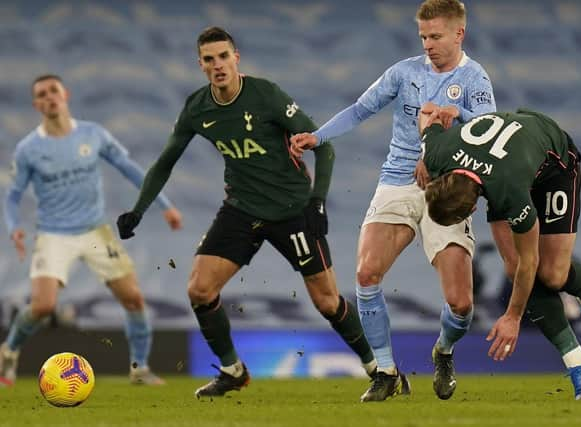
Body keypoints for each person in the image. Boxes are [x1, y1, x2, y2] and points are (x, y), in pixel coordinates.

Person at [116, 26, 384, 400]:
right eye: (209, 60)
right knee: (199, 289)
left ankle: (379, 370)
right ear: (201, 65)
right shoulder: (197, 108)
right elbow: (164, 163)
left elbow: (324, 147)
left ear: (235, 58)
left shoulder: (266, 95)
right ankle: (232, 370)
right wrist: (138, 210)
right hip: (241, 209)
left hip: (291, 210)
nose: (218, 65)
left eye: (223, 56)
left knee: (326, 301)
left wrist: (317, 201)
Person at [290, 0, 495, 401]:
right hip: (397, 181)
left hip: (446, 189)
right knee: (366, 275)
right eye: (423, 37)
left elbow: (490, 131)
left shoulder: (475, 79)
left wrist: (462, 118)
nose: (428, 44)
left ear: (459, 34)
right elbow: (360, 109)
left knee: (461, 304)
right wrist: (318, 136)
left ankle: (444, 350)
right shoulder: (404, 72)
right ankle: (385, 372)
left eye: (435, 36)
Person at [0, 74, 182, 387]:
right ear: (36, 104)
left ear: (65, 94)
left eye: (53, 91)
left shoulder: (92, 134)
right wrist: (14, 226)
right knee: (42, 306)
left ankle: (139, 369)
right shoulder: (28, 149)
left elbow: (129, 167)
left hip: (96, 232)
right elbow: (13, 194)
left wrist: (163, 204)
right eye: (42, 94)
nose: (49, 97)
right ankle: (10, 351)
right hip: (53, 234)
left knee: (134, 299)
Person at [419, 106, 581, 400]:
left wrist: (513, 316)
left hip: (554, 165)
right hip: (502, 164)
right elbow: (427, 113)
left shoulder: (508, 190)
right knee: (513, 269)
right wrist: (440, 121)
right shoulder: (436, 153)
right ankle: (579, 364)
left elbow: (529, 261)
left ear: (472, 208)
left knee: (550, 274)